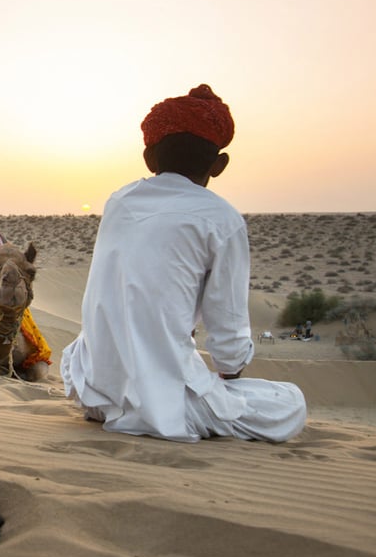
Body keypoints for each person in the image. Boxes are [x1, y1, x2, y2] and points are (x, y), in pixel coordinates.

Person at [61, 84, 306, 443]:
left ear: (149, 159)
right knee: (289, 402)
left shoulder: (119, 201)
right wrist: (227, 381)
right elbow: (228, 337)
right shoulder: (222, 219)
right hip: (159, 406)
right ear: (219, 165)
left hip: (92, 391)